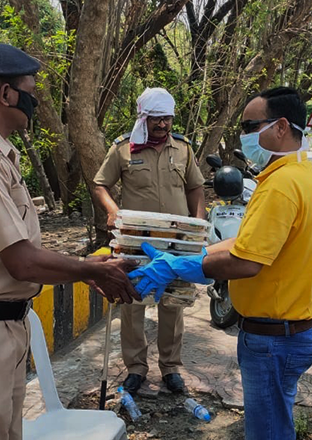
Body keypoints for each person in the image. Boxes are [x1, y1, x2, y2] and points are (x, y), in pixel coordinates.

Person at [0, 42, 139, 440]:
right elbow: (22, 262)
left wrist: (83, 269)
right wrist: (91, 269)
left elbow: (21, 249)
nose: (34, 103)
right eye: (31, 93)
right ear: (6, 94)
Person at [128, 87, 312, 440]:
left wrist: (178, 267)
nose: (244, 135)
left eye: (251, 126)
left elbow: (247, 262)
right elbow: (250, 243)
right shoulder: (298, 171)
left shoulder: (280, 185)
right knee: (277, 424)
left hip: (274, 338)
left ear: (280, 126)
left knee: (266, 432)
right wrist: (196, 256)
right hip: (292, 328)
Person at [93, 87, 206, 395]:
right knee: (132, 302)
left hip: (175, 242)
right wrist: (112, 211)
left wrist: (199, 224)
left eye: (167, 118)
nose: (162, 125)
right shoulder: (124, 149)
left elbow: (196, 188)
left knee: (173, 301)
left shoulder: (183, 149)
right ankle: (136, 368)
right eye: (156, 119)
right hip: (135, 242)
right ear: (144, 117)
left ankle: (170, 367)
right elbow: (100, 184)